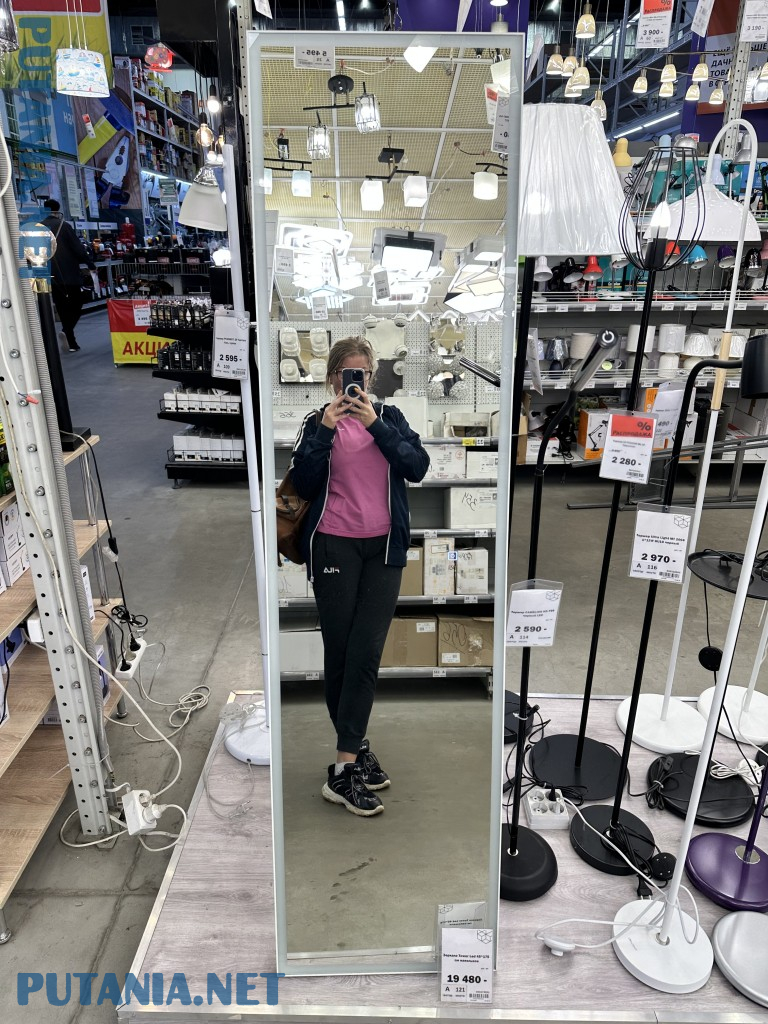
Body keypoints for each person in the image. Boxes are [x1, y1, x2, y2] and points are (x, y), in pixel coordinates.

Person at [289, 337, 430, 817]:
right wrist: (327, 431)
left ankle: (350, 752)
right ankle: (346, 766)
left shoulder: (390, 418)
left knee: (366, 652)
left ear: (371, 377)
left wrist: (375, 425)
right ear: (333, 378)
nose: (354, 383)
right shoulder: (316, 423)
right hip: (334, 546)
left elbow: (417, 467)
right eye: (346, 374)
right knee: (341, 652)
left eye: (362, 374)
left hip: (384, 549)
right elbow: (303, 483)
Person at [41, 199, 97, 352]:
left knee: (62, 307)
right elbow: (78, 249)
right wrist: (90, 264)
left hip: (50, 275)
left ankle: (71, 342)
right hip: (69, 273)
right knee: (77, 303)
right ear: (58, 210)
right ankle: (67, 331)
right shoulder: (63, 226)